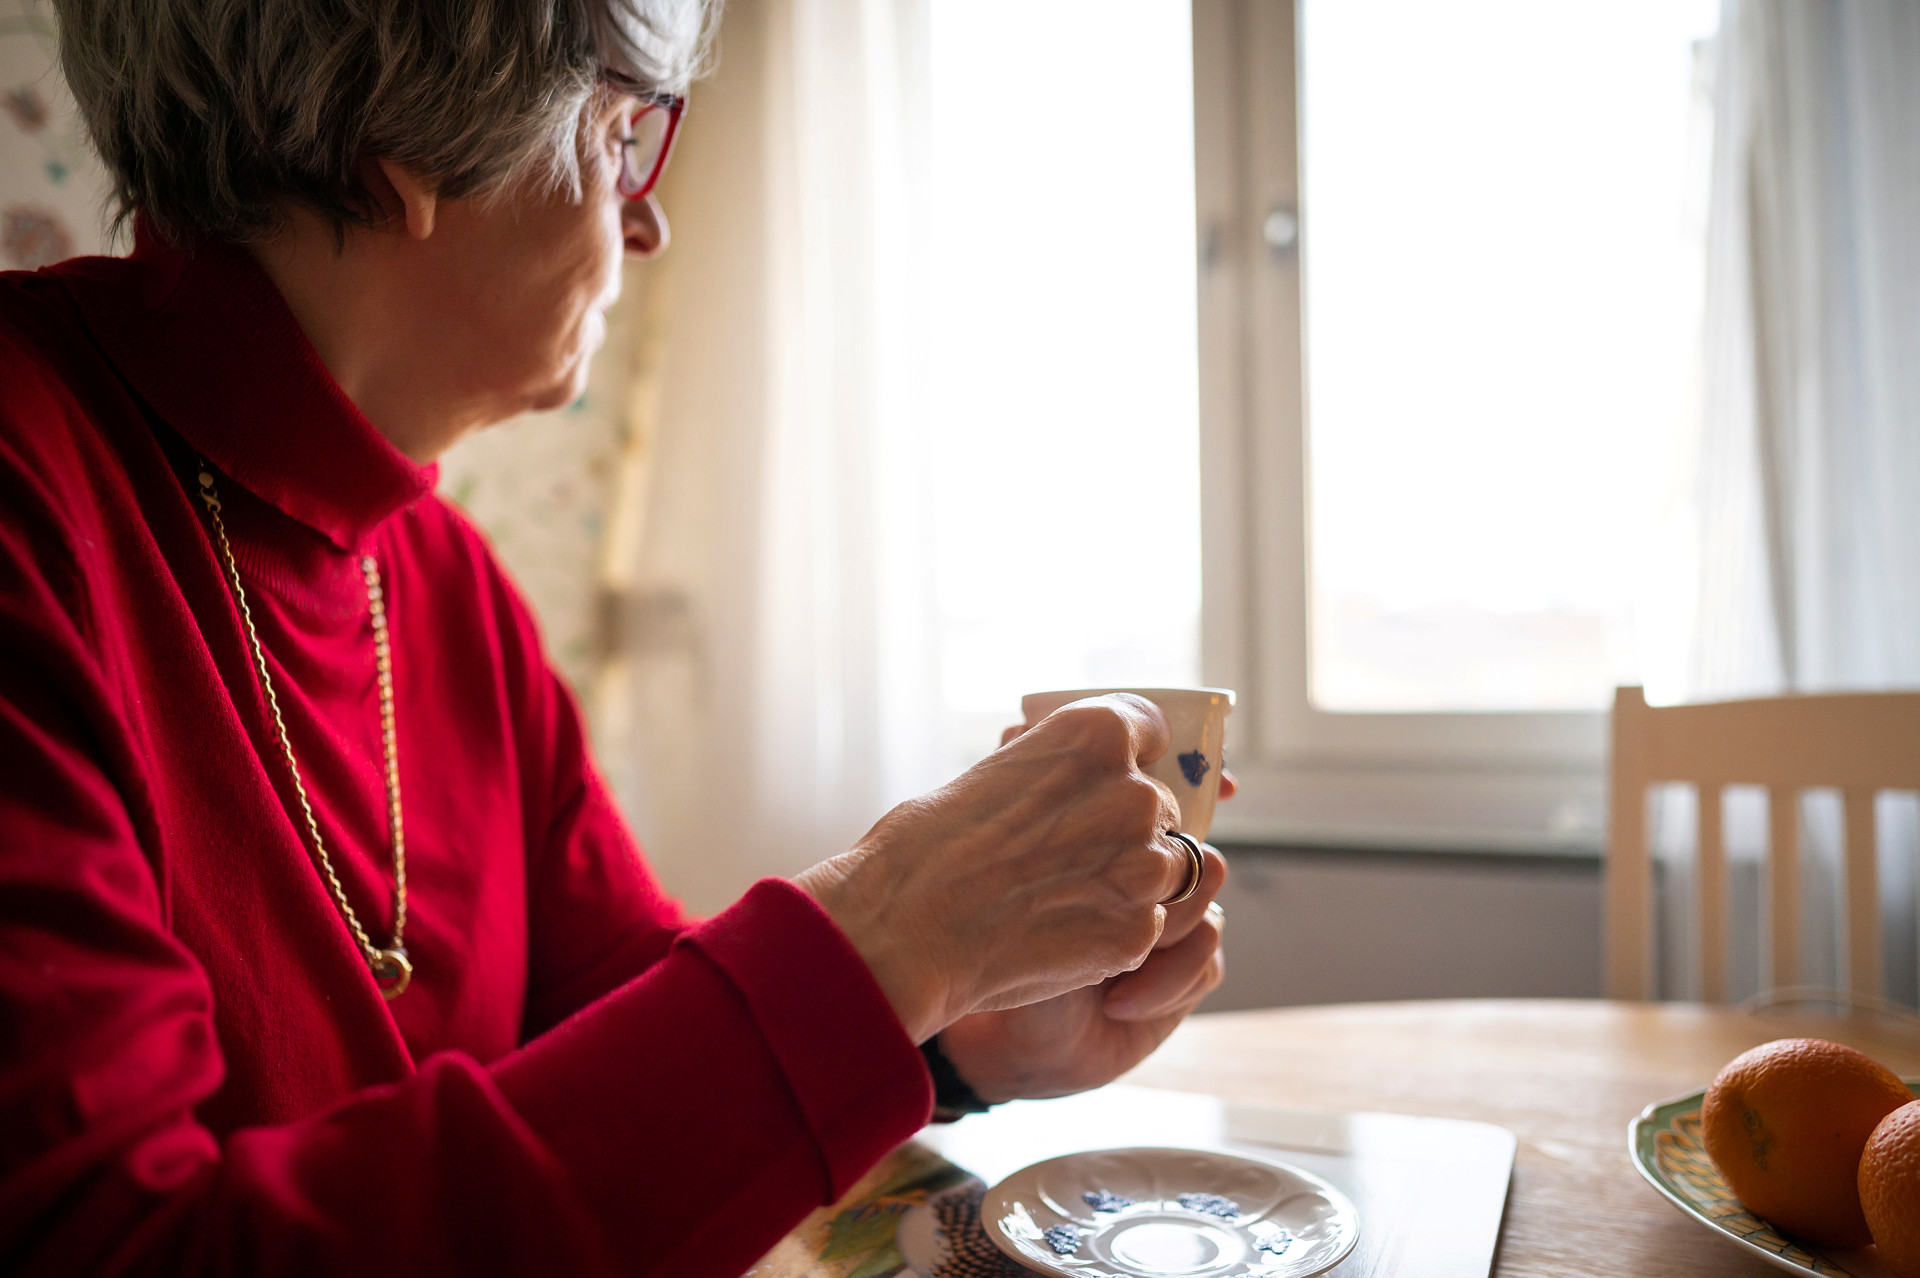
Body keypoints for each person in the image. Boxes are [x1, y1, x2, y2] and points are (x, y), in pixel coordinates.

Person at [0, 2, 1227, 1275]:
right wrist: (888, 925)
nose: (648, 219)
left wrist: (955, 1030)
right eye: (622, 134)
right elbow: (123, 1249)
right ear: (407, 145)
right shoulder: (26, 496)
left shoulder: (441, 578)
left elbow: (611, 1011)